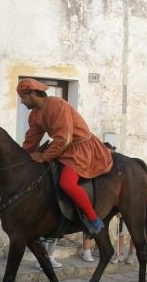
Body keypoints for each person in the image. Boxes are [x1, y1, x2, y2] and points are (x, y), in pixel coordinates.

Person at [17, 78, 113, 234]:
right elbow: (31, 141)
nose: (22, 102)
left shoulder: (57, 105)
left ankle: (94, 220)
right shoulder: (34, 115)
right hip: (62, 148)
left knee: (67, 183)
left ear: (33, 94)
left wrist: (44, 157)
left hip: (79, 148)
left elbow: (65, 138)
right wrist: (21, 157)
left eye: (23, 97)